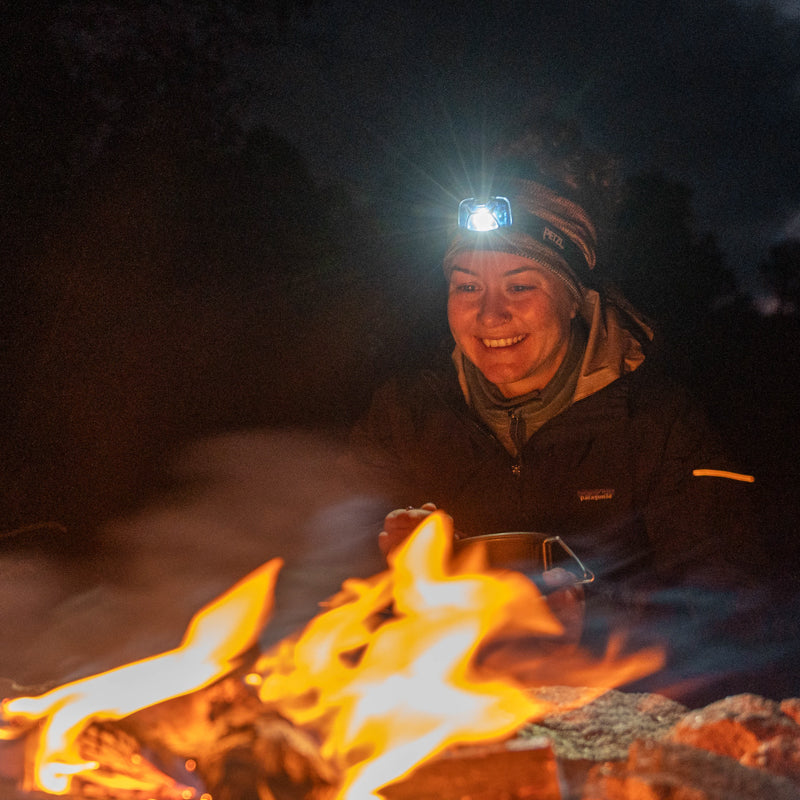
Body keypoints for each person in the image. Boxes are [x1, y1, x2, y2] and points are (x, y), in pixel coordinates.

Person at [348, 120, 767, 699]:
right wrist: (394, 576)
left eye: (520, 287)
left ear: (573, 298)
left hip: (616, 723)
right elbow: (325, 594)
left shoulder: (659, 419)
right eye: (467, 287)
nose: (490, 315)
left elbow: (731, 607)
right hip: (447, 719)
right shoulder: (405, 415)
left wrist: (592, 620)